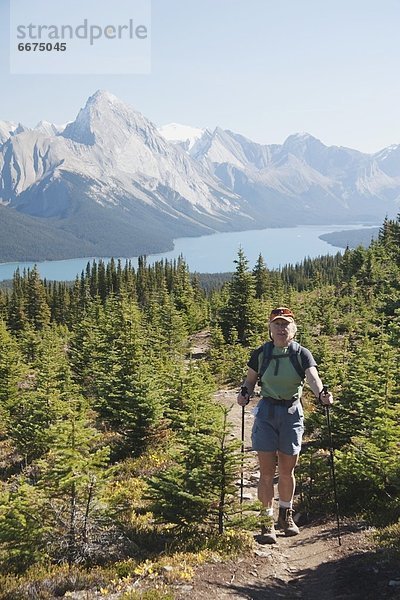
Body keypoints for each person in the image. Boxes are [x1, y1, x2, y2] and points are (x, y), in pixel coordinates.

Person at [237, 307, 333, 544]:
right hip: (267, 413)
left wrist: (321, 393)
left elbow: (312, 377)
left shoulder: (301, 354)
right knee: (267, 471)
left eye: (285, 324)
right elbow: (250, 381)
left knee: (288, 469)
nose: (281, 328)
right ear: (270, 329)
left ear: (293, 329)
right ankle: (266, 520)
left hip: (292, 412)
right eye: (277, 324)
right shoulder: (261, 354)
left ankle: (285, 514)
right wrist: (244, 393)